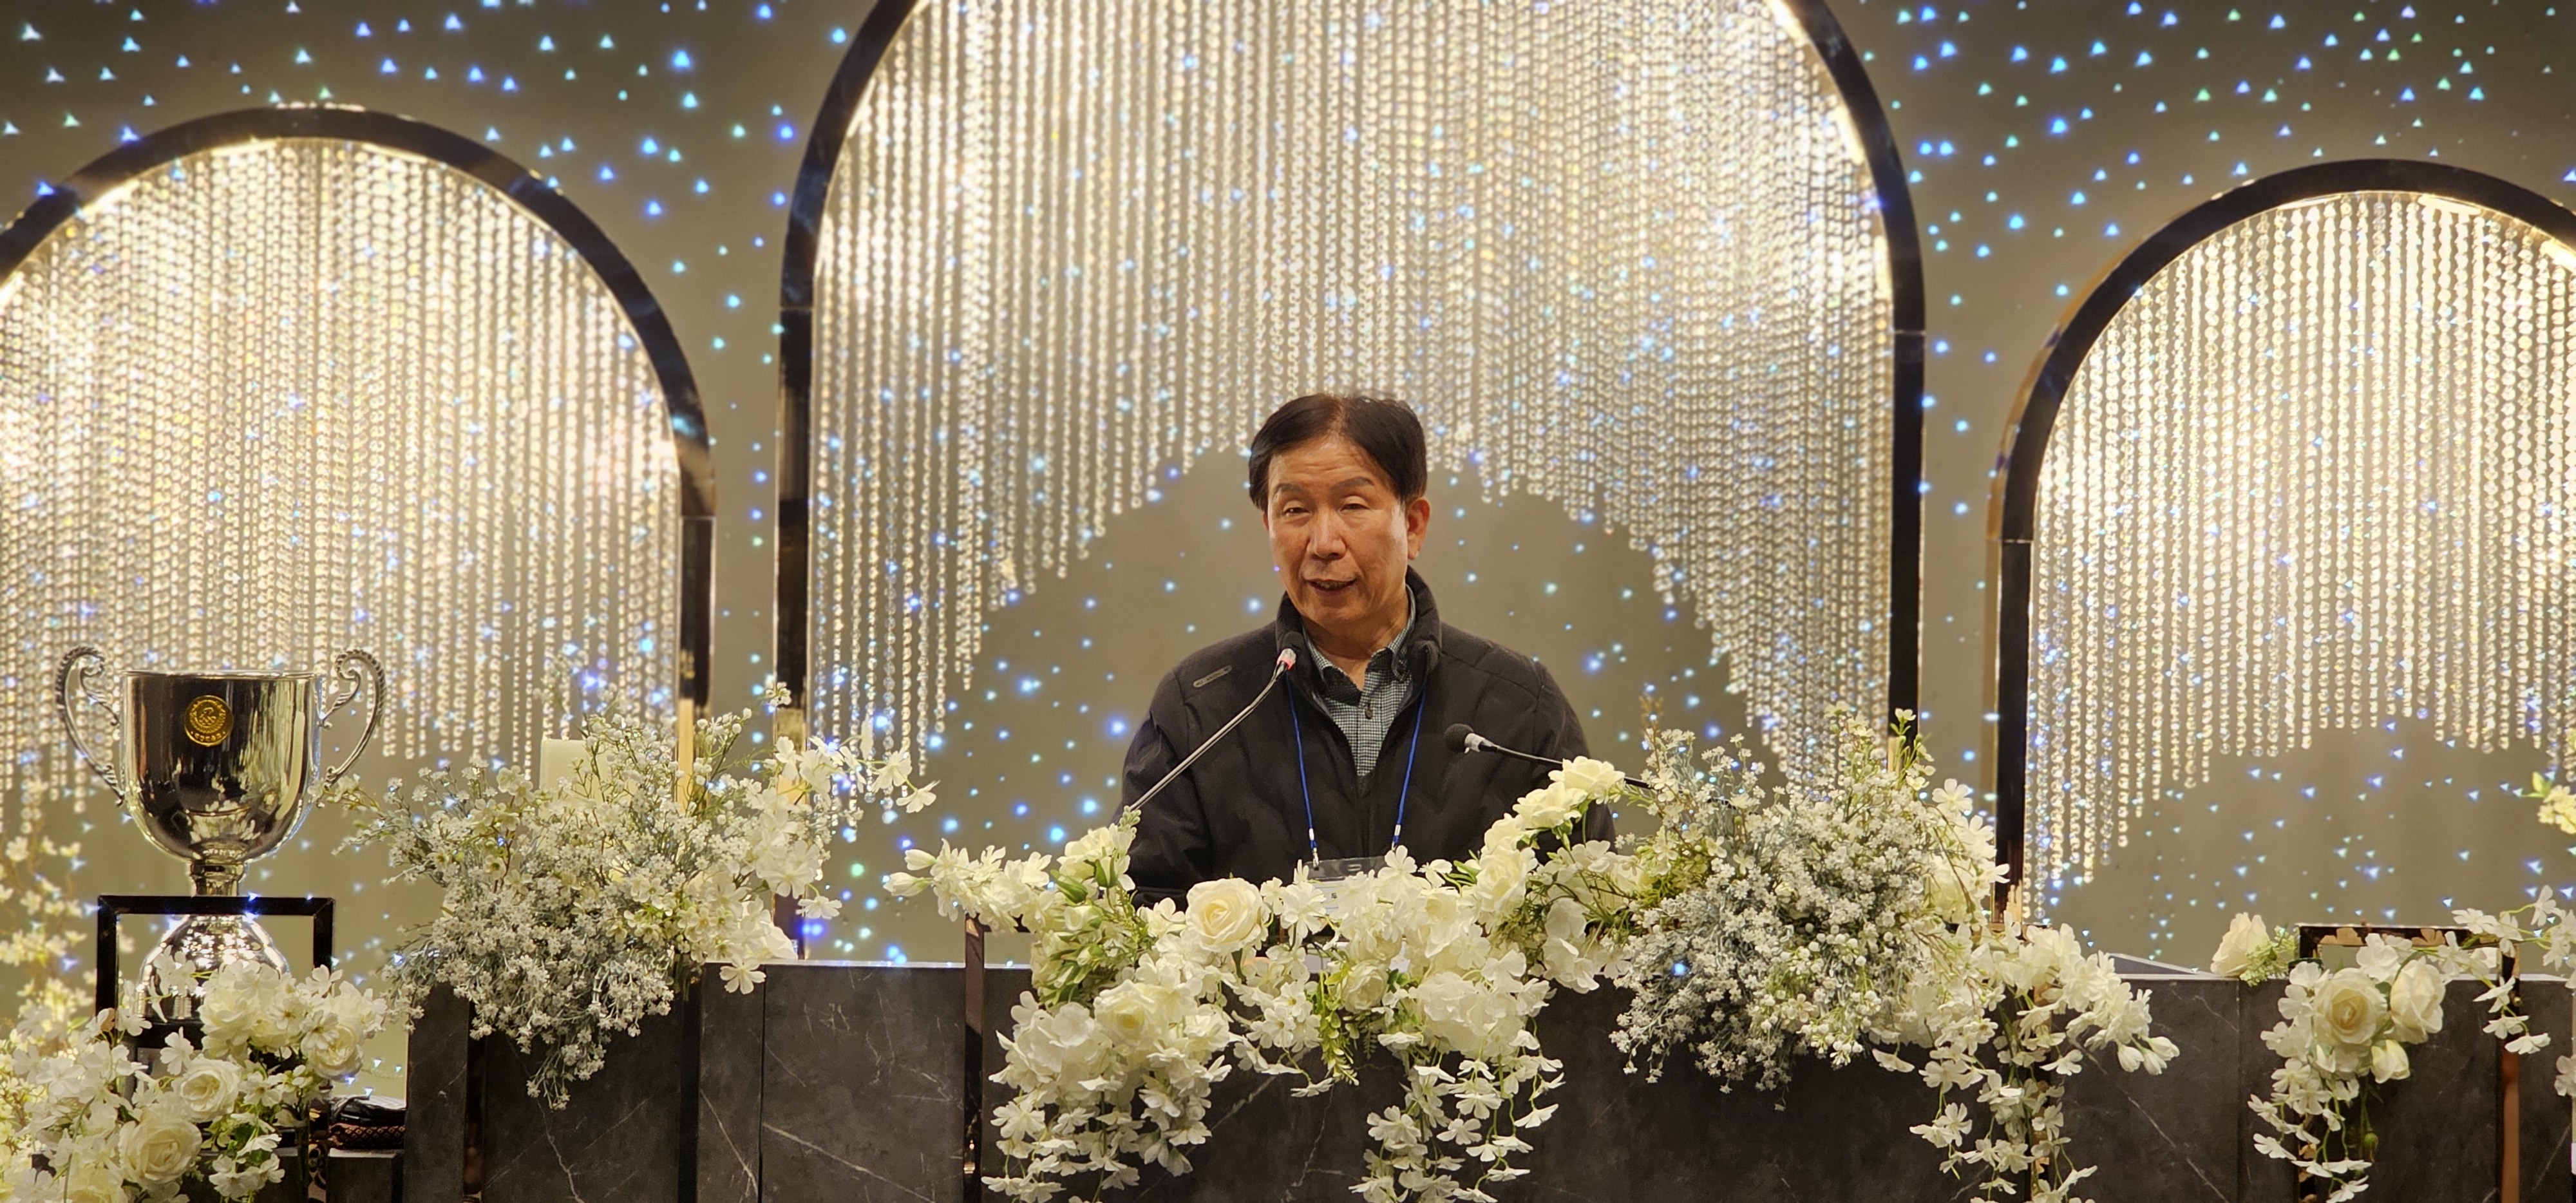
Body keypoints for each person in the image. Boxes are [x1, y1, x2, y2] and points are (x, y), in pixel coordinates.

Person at [1121, 393, 1613, 905]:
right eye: (1295, 510)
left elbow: (1585, 902)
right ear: (1268, 525)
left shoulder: (1519, 705)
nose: (1324, 543)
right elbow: (1144, 902)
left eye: (1353, 506)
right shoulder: (1201, 706)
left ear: (1413, 524)